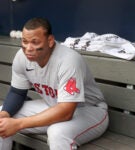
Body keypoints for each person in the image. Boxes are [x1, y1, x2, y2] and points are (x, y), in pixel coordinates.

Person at [0, 18, 109, 150]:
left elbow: (66, 112)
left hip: (90, 111)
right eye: (25, 41)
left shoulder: (68, 60)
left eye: (35, 42)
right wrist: (5, 114)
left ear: (50, 41)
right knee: (1, 118)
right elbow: (17, 92)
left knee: (57, 133)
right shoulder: (22, 57)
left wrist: (18, 124)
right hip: (54, 106)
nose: (28, 48)